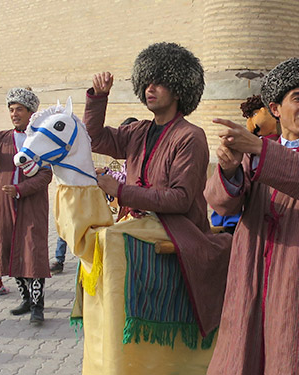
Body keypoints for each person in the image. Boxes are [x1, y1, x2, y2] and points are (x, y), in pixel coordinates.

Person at [82, 42, 231, 373]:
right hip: (136, 225)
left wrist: (121, 190)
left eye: (159, 82)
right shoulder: (138, 131)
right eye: (147, 81)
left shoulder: (190, 136)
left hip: (179, 231)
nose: (150, 88)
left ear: (178, 88)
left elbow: (179, 198)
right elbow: (93, 139)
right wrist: (98, 97)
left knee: (110, 241)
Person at [204, 58, 299, 374]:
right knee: (240, 359)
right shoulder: (256, 153)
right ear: (275, 108)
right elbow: (220, 204)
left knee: (293, 357)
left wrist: (260, 150)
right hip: (249, 281)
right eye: (297, 98)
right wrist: (229, 168)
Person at [0, 87, 52, 325]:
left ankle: (38, 306)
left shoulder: (42, 140)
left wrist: (21, 190)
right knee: (9, 249)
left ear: (31, 113)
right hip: (5, 205)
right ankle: (26, 299)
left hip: (32, 204)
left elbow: (45, 175)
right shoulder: (0, 138)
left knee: (33, 252)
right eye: (11, 109)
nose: (14, 113)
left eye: (19, 109)